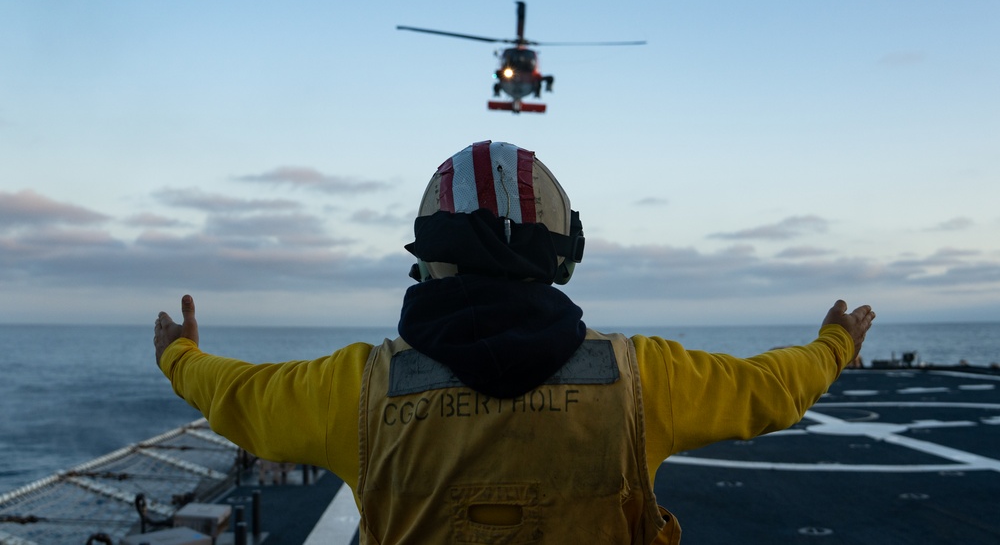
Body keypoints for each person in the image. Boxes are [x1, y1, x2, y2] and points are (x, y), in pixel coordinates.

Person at [154, 140, 875, 544]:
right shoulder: (640, 377)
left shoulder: (357, 387)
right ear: (560, 258)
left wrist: (179, 357)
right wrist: (834, 345)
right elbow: (769, 391)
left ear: (429, 259)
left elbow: (239, 396)